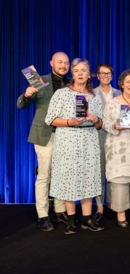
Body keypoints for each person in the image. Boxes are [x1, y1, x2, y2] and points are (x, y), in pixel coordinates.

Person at [44, 58, 104, 234]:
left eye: (83, 70)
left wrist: (96, 119)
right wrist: (70, 121)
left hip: (89, 141)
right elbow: (50, 119)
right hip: (67, 142)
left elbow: (101, 124)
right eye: (76, 70)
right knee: (69, 178)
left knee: (88, 177)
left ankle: (87, 218)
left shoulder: (94, 97)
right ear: (72, 73)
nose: (80, 73)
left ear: (89, 74)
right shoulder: (61, 94)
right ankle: (71, 220)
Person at [17, 52, 70, 231]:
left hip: (65, 136)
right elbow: (20, 105)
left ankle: (61, 210)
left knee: (62, 175)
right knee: (45, 175)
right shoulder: (40, 81)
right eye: (59, 62)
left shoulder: (70, 84)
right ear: (51, 63)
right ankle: (43, 215)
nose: (63, 65)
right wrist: (26, 94)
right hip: (44, 135)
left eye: (66, 62)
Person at [103, 69, 130, 228]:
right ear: (121, 84)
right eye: (127, 82)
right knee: (120, 180)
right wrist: (115, 125)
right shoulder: (113, 103)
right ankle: (121, 212)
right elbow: (105, 123)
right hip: (117, 149)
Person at [92, 63, 122, 222]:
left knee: (115, 174)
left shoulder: (119, 93)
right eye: (102, 73)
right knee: (99, 173)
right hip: (98, 139)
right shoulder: (91, 94)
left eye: (108, 73)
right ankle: (99, 206)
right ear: (97, 76)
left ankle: (113, 204)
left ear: (112, 76)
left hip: (117, 139)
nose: (105, 76)